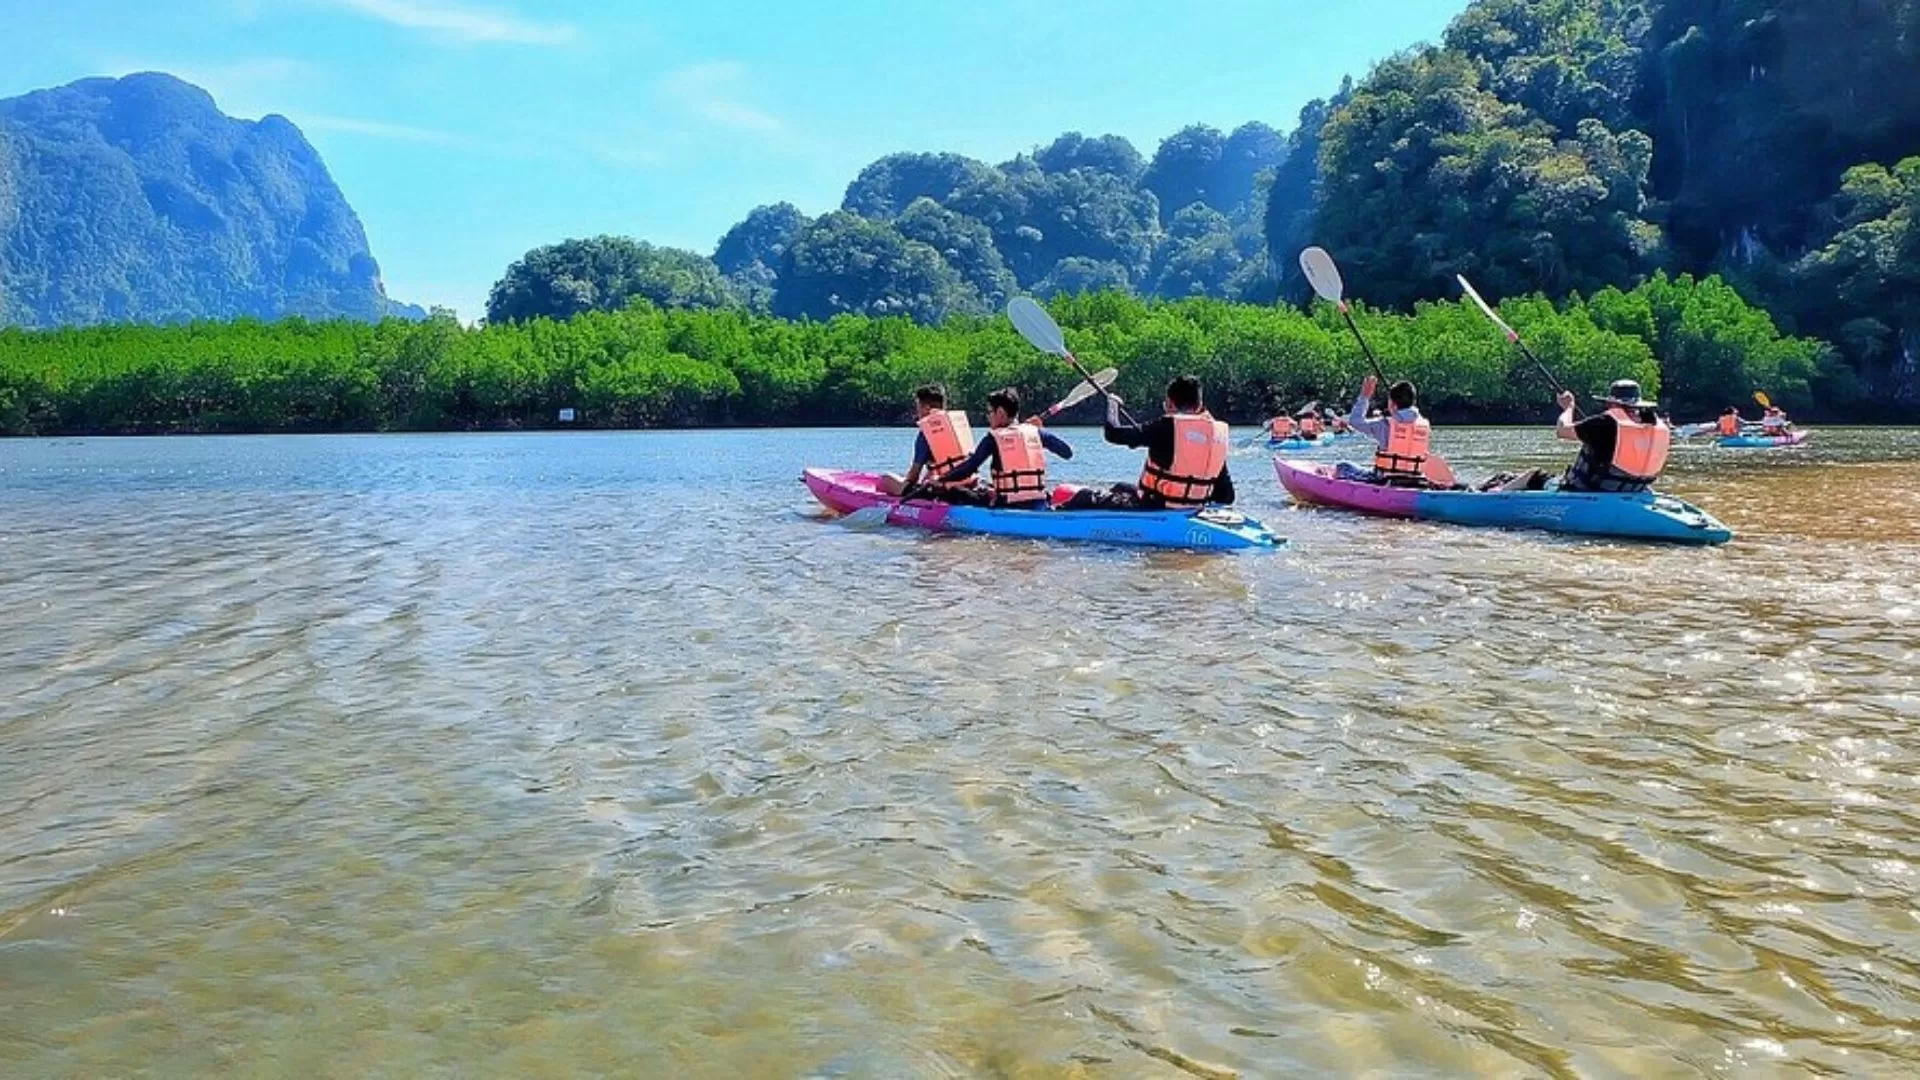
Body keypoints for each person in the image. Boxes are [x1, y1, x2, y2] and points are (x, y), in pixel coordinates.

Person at [1063, 375, 1233, 510]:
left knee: (1085, 497)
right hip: (1193, 507)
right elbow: (1226, 496)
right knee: (1120, 487)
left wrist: (1112, 404)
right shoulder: (1215, 434)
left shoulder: (1166, 425)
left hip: (1155, 506)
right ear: (1199, 404)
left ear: (1170, 404)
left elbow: (1113, 433)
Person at [933, 387, 1074, 507]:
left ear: (1000, 412)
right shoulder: (1036, 432)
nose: (988, 417)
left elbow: (969, 468)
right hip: (1039, 502)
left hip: (1007, 504)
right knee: (986, 488)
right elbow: (1067, 453)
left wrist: (941, 480)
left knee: (954, 490)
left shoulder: (993, 439)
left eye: (989, 412)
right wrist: (1040, 430)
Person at [1557, 379, 1672, 493]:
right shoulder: (1654, 426)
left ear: (1612, 403)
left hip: (1593, 491)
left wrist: (1569, 407)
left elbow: (1562, 430)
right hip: (1635, 489)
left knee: (1540, 479)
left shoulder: (1604, 423)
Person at [1337, 375, 1448, 486]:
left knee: (1343, 466)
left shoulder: (1385, 424)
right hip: (1416, 478)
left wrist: (1365, 396)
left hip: (1385, 479)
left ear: (1393, 404)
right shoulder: (1424, 425)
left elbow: (1355, 421)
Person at [879, 383, 978, 497]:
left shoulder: (926, 433)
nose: (917, 412)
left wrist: (904, 482)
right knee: (929, 476)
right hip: (969, 483)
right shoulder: (955, 427)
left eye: (918, 407)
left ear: (926, 408)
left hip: (942, 490)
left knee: (885, 479)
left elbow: (913, 476)